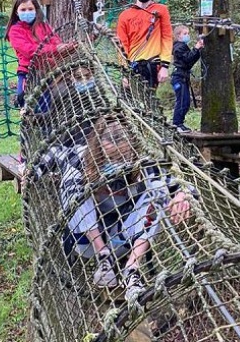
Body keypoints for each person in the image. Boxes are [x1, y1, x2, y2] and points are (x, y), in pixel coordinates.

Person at [32, 119, 192, 300]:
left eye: (121, 155)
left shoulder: (143, 164)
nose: (116, 159)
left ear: (132, 146)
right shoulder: (81, 157)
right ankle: (104, 258)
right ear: (98, 145)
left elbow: (178, 183)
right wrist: (31, 173)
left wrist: (181, 194)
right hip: (87, 242)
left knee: (159, 193)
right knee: (71, 182)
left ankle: (131, 271)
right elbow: (53, 152)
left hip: (123, 238)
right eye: (110, 155)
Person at [5, 0, 73, 108]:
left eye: (30, 9)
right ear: (17, 12)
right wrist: (56, 49)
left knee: (55, 101)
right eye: (23, 10)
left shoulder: (43, 26)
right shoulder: (14, 31)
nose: (27, 12)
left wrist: (66, 48)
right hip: (29, 72)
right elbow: (29, 51)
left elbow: (54, 40)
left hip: (49, 69)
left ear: (36, 10)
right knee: (26, 99)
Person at [116, 0, 173, 90]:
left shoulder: (160, 10)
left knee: (149, 103)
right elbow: (122, 45)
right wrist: (124, 73)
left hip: (151, 65)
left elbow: (167, 37)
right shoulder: (125, 15)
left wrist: (165, 66)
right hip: (133, 66)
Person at [170, 25, 204, 133]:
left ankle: (179, 123)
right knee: (182, 101)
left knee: (185, 101)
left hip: (182, 77)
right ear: (178, 35)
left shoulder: (182, 46)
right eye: (185, 34)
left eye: (188, 33)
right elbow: (187, 58)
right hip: (179, 78)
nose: (187, 35)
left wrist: (197, 50)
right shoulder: (178, 47)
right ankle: (177, 124)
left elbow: (190, 60)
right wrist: (196, 48)